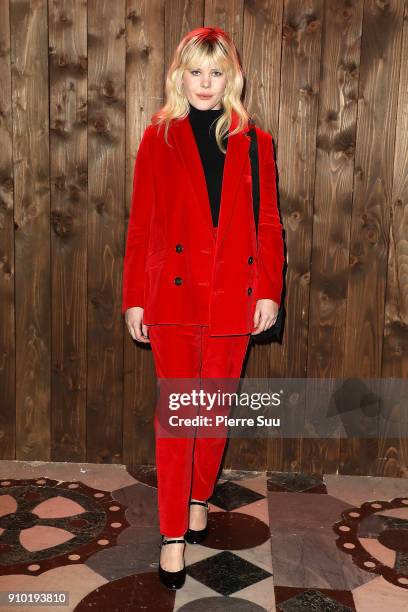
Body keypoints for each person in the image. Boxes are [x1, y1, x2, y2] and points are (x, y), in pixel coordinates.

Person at [122, 26, 285, 590]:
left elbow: (267, 223)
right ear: (179, 75)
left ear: (231, 78)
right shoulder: (157, 138)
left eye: (216, 73)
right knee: (176, 418)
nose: (206, 84)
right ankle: (171, 535)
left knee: (211, 414)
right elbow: (141, 225)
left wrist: (268, 290)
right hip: (171, 298)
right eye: (196, 71)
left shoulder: (256, 142)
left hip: (231, 300)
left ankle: (199, 494)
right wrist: (135, 299)